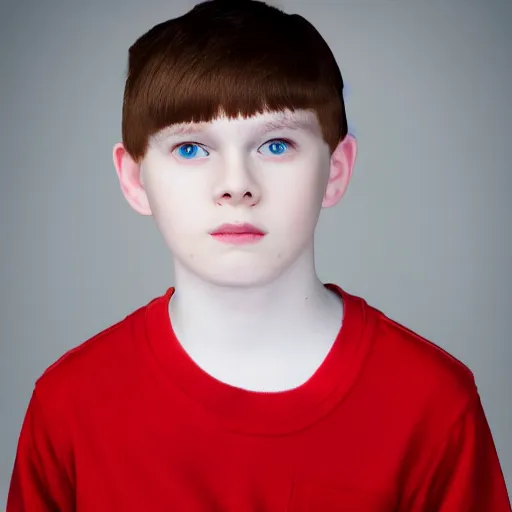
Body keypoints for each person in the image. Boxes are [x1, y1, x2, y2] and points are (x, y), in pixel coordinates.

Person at [7, 0, 511, 510]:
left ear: (335, 170)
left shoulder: (433, 405)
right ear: (135, 180)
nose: (235, 186)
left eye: (275, 145)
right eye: (190, 149)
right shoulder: (69, 406)